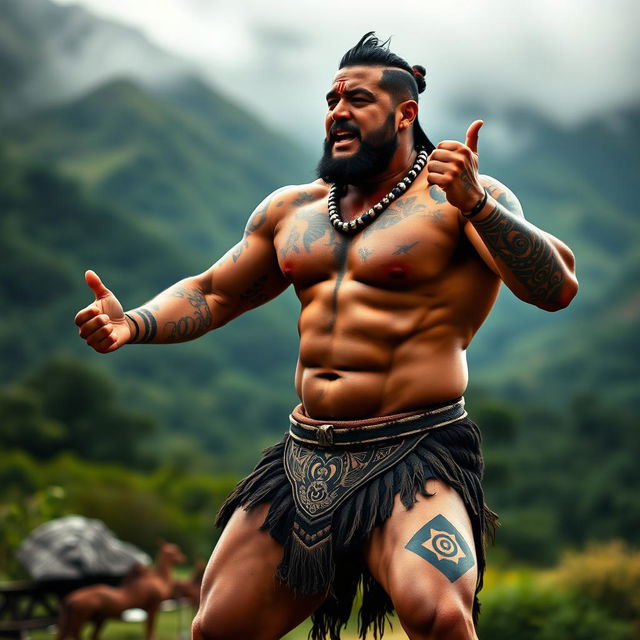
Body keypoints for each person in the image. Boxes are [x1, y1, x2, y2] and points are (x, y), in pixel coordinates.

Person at [74, 32, 577, 640]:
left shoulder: (462, 198)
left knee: (440, 615)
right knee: (216, 627)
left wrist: (478, 205)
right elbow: (215, 291)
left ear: (405, 113)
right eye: (331, 98)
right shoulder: (293, 211)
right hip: (305, 452)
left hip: (414, 451)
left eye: (357, 99)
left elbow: (556, 288)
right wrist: (134, 324)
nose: (337, 111)